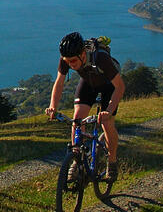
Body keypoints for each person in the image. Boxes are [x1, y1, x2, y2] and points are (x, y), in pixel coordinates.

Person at [45, 31, 125, 182]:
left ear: (83, 54)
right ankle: (77, 160)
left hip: (109, 85)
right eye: (67, 61)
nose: (71, 65)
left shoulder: (101, 59)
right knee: (77, 119)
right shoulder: (66, 59)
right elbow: (59, 82)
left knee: (107, 123)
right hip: (89, 82)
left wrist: (108, 111)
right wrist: (52, 106)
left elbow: (120, 87)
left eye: (73, 61)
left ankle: (112, 162)